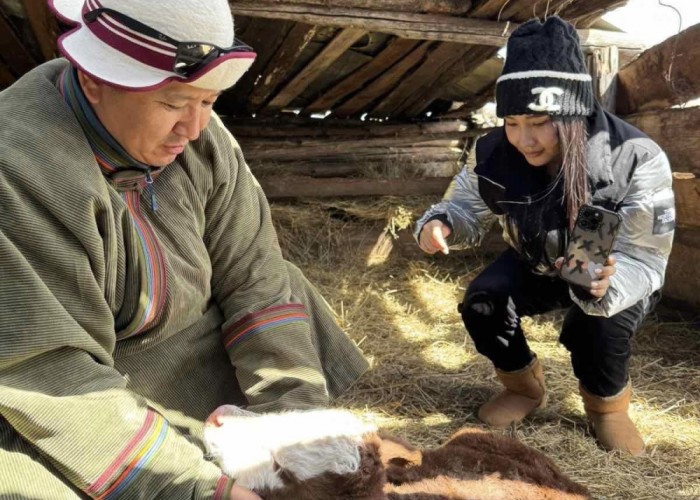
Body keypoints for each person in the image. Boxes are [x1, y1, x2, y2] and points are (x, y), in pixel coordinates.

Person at [0, 0, 368, 498]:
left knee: (286, 284)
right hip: (57, 383)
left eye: (209, 102)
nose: (193, 129)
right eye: (173, 103)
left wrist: (294, 424)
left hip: (180, 341)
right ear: (93, 81)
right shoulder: (18, 170)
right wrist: (205, 491)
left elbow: (254, 275)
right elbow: (51, 372)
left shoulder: (202, 139)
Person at [415, 16, 675, 456]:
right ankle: (522, 387)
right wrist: (440, 224)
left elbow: (647, 256)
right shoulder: (494, 152)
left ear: (572, 113)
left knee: (594, 326)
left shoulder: (632, 156)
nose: (523, 139)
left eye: (538, 122)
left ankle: (606, 408)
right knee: (483, 301)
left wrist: (608, 283)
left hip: (605, 260)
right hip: (536, 257)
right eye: (512, 122)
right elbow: (464, 206)